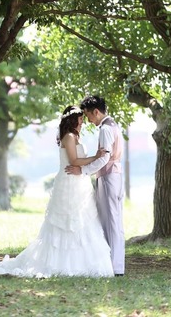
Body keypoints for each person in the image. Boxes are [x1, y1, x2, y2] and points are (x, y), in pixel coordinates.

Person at [0, 106, 115, 278]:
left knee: (83, 220)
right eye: (80, 119)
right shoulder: (68, 136)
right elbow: (74, 160)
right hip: (69, 183)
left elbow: (78, 161)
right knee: (66, 222)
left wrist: (91, 162)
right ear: (72, 120)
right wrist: (96, 157)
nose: (82, 122)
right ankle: (61, 264)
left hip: (79, 183)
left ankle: (83, 263)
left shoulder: (75, 136)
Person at [64, 94, 125, 276]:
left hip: (108, 176)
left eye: (88, 115)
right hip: (114, 175)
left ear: (96, 112)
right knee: (113, 220)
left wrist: (83, 171)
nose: (88, 121)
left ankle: (115, 266)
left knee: (111, 221)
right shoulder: (113, 125)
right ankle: (114, 264)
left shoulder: (105, 129)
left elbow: (104, 157)